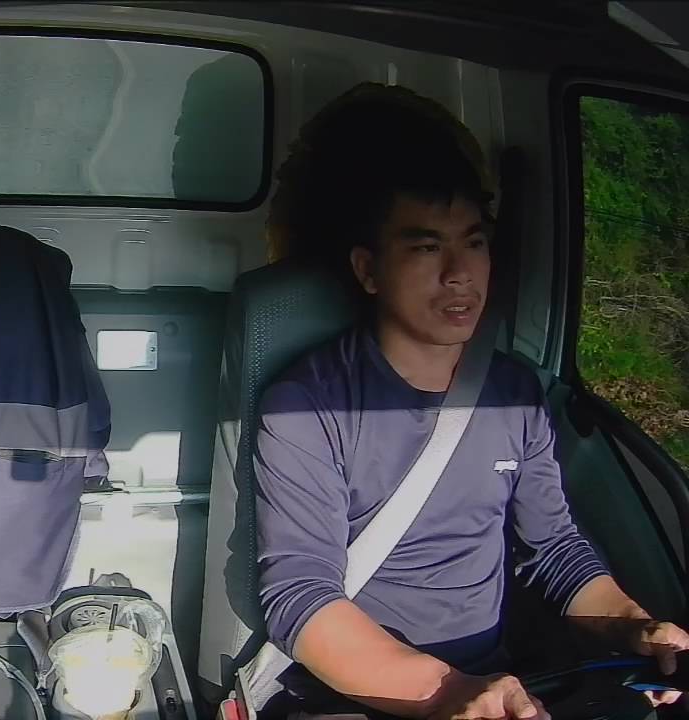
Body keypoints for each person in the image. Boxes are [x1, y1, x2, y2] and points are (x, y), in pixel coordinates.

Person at [255, 84, 689, 720]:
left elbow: (554, 550)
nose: (459, 272)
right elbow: (300, 594)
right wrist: (446, 692)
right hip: (359, 693)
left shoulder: (515, 394)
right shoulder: (305, 405)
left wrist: (634, 627)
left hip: (497, 680)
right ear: (369, 270)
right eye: (427, 247)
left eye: (474, 242)